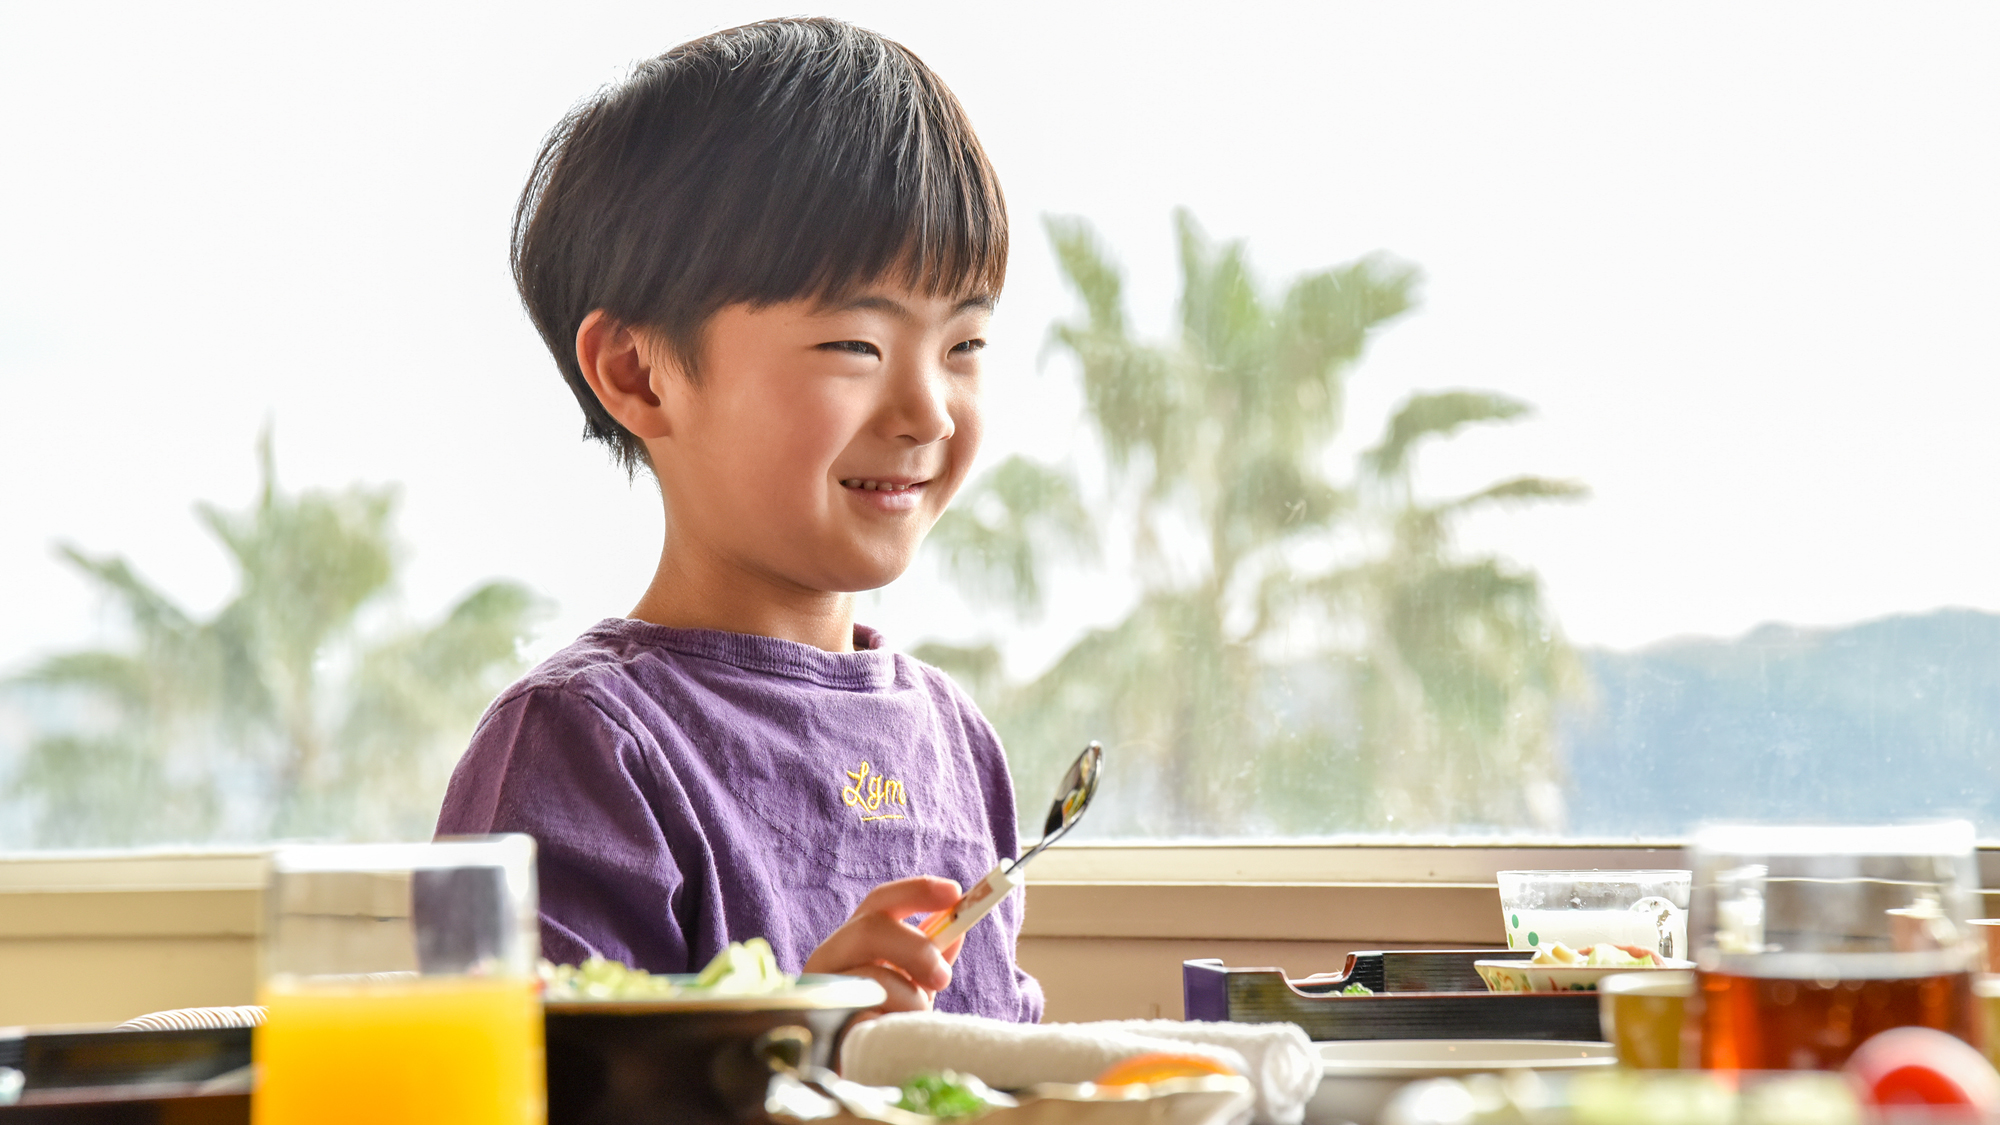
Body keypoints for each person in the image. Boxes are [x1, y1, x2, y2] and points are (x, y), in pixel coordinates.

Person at [433, 17, 1041, 1023]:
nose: (927, 409)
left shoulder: (954, 744)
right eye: (854, 342)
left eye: (964, 344)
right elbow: (527, 1086)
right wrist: (793, 1030)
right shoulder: (584, 748)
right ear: (638, 373)